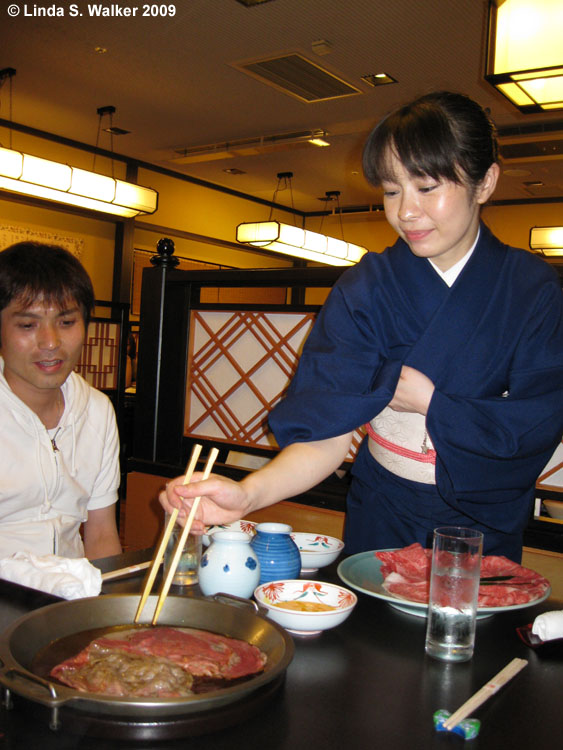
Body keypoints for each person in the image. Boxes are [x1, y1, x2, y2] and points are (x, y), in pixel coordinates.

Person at [160, 91, 563, 562]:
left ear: (485, 181)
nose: (405, 212)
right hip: (382, 507)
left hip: (480, 523)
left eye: (427, 188)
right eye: (392, 191)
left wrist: (432, 404)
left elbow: (536, 423)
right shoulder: (367, 287)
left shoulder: (532, 289)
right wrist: (248, 495)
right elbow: (327, 434)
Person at [0, 241, 122, 560]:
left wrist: (103, 605)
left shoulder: (96, 411)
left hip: (68, 596)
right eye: (28, 325)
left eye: (66, 322)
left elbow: (101, 533)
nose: (51, 342)